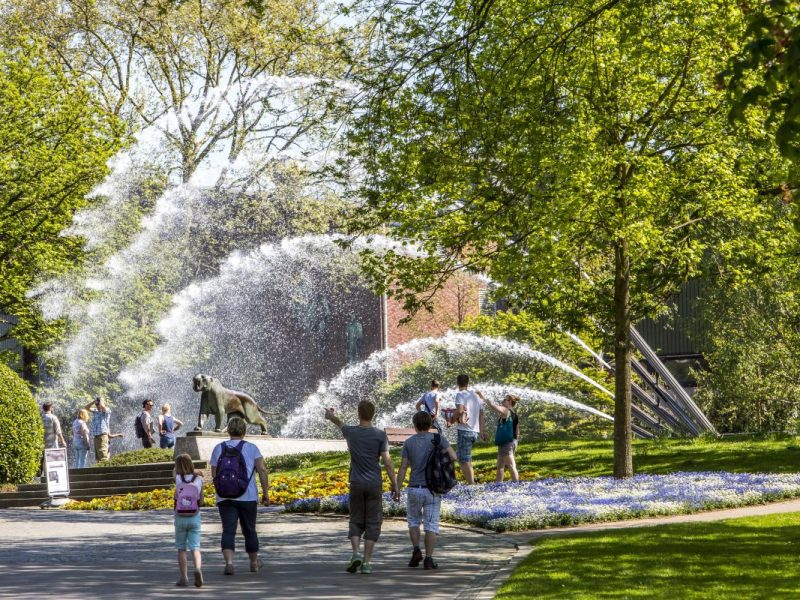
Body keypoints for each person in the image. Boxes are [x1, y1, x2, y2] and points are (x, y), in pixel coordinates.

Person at [324, 401, 398, 575]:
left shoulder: (351, 432)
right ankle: (366, 562)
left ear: (358, 413)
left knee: (356, 518)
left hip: (356, 482)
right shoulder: (380, 435)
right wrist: (395, 485)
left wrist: (330, 415)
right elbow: (387, 461)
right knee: (373, 521)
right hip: (374, 484)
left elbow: (338, 423)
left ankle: (355, 552)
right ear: (373, 414)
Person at [393, 411, 457, 570]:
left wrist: (397, 488)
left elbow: (403, 467)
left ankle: (416, 550)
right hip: (432, 489)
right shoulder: (438, 439)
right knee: (431, 525)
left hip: (414, 488)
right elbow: (453, 457)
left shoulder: (408, 443)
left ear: (414, 426)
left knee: (413, 521)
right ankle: (429, 559)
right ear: (430, 424)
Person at [209, 417, 270, 576]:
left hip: (225, 498)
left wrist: (222, 490)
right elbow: (262, 471)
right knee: (249, 530)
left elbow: (214, 474)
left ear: (228, 430)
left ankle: (229, 563)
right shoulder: (252, 448)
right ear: (244, 431)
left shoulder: (218, 448)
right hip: (248, 497)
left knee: (228, 530)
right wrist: (265, 493)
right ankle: (254, 563)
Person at [173, 453, 204, 588]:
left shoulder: (178, 478)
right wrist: (195, 471)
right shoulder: (198, 479)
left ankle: (184, 578)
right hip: (194, 516)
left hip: (180, 517)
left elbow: (174, 471)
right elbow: (201, 500)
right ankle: (197, 568)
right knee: (195, 547)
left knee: (181, 548)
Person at [453, 373, 488, 485]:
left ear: (458, 383)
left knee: (463, 460)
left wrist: (451, 420)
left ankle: (471, 484)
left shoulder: (460, 394)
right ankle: (471, 482)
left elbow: (459, 411)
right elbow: (481, 414)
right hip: (474, 431)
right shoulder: (476, 396)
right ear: (468, 383)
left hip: (465, 431)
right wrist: (481, 431)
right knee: (466, 459)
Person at [482, 394, 521, 482]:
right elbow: (517, 431)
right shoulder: (514, 414)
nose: (502, 401)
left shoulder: (506, 411)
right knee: (500, 466)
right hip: (509, 442)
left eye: (505, 400)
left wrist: (483, 397)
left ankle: (516, 485)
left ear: (510, 402)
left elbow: (492, 406)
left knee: (511, 465)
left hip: (507, 443)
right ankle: (498, 485)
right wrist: (514, 443)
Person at [84, 397, 112, 462]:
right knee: (98, 458)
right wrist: (94, 401)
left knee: (103, 456)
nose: (97, 406)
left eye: (98, 404)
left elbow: (103, 407)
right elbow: (86, 407)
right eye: (96, 405)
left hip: (102, 436)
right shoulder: (95, 411)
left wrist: (100, 400)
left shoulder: (107, 410)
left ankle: (105, 470)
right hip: (96, 437)